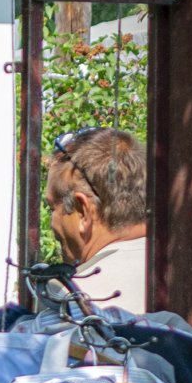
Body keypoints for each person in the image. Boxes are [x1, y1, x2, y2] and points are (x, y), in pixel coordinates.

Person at [45, 126, 149, 318]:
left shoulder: (69, 299)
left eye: (52, 208)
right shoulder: (188, 273)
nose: (52, 224)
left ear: (83, 211)